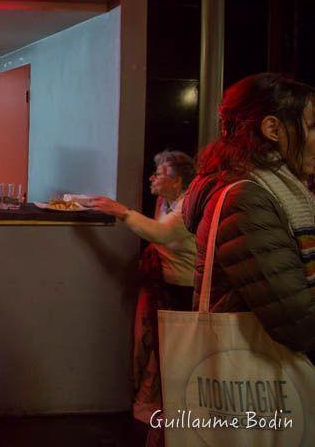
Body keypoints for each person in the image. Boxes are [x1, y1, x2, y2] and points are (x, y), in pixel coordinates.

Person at [182, 73, 315, 364]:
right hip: (259, 380)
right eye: (311, 126)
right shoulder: (247, 198)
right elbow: (299, 325)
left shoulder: (284, 191)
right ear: (273, 129)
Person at [90, 150, 197, 432]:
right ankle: (153, 405)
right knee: (153, 348)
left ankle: (176, 412)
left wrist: (122, 212)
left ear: (178, 181)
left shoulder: (186, 208)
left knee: (173, 352)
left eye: (160, 174)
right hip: (162, 283)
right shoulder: (164, 201)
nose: (152, 178)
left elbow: (161, 233)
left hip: (183, 289)